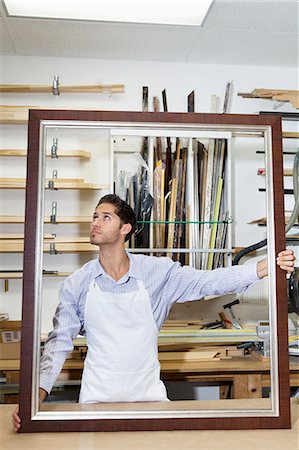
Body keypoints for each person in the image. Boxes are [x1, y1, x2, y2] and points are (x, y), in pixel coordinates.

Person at [12, 194, 295, 430]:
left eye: (105, 217)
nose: (96, 223)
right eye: (95, 216)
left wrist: (264, 267)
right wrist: (33, 399)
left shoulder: (157, 273)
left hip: (149, 399)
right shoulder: (77, 283)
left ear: (126, 229)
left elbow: (208, 281)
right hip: (96, 402)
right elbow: (59, 343)